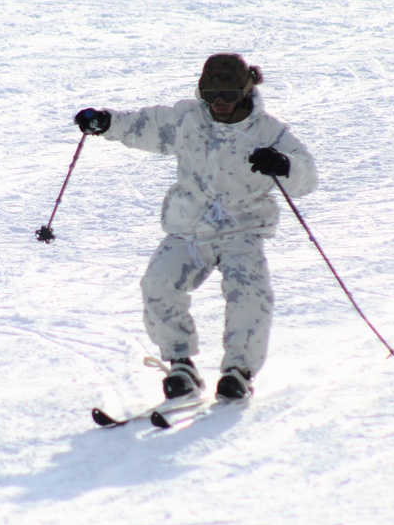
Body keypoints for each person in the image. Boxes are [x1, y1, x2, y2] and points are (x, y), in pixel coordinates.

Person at [74, 53, 318, 401]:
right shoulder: (188, 119)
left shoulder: (269, 132)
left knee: (250, 296)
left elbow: (307, 176)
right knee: (158, 284)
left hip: (242, 231)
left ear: (246, 92)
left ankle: (239, 371)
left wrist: (283, 164)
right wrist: (105, 122)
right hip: (190, 227)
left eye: (229, 96)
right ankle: (180, 364)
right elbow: (143, 125)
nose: (219, 104)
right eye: (210, 95)